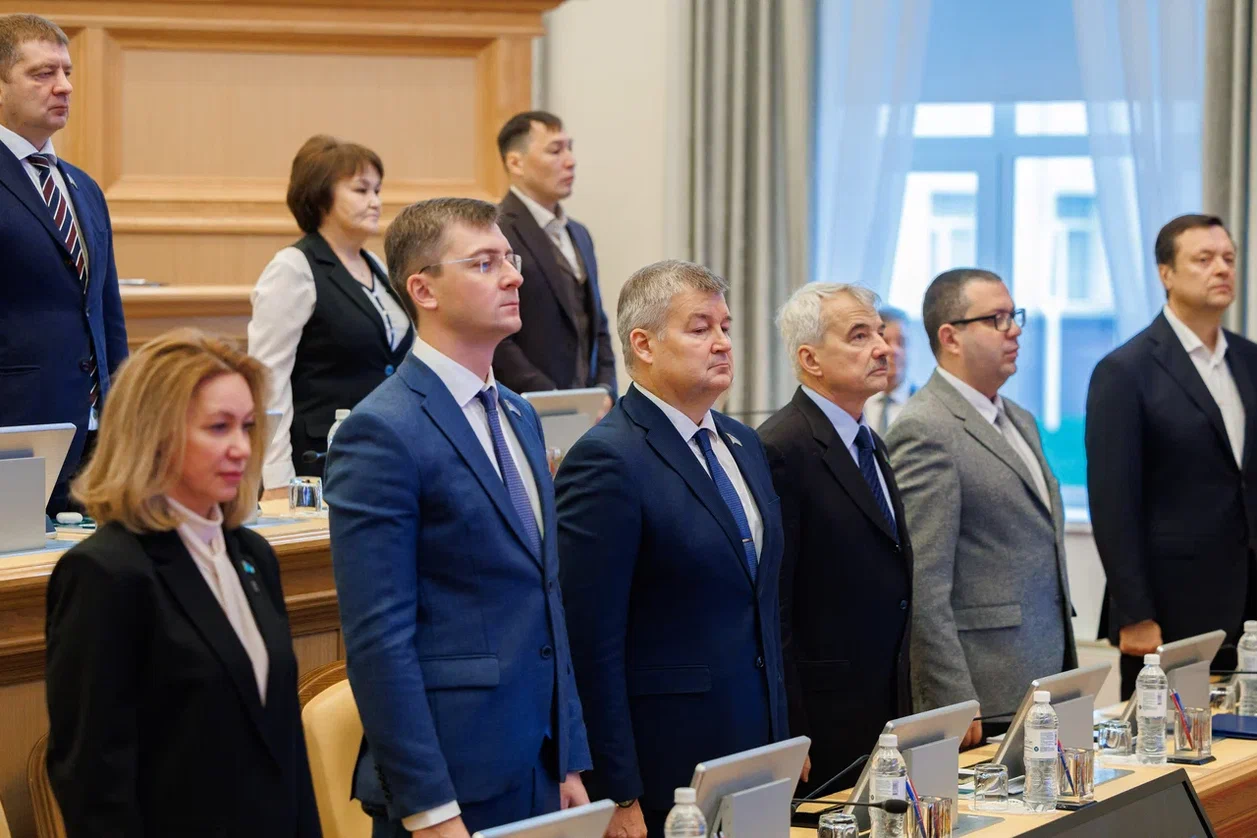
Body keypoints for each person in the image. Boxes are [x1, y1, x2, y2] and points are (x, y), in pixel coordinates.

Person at [324, 197, 591, 837]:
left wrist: (569, 757)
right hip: (452, 780)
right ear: (424, 290)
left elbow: (546, 599)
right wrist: (429, 807)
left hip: (539, 763)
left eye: (510, 258)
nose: (514, 276)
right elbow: (379, 639)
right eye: (484, 262)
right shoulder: (379, 431)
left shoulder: (521, 415)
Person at [44, 329, 320, 837]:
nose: (241, 448)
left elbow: (285, 749)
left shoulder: (252, 554)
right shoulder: (105, 573)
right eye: (218, 427)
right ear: (154, 434)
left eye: (248, 426)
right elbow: (94, 783)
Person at [556, 259, 788, 837]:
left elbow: (763, 604)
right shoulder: (607, 458)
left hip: (757, 751)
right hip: (665, 768)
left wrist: (785, 735)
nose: (723, 343)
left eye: (725, 327)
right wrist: (617, 789)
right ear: (644, 344)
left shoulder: (742, 443)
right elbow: (589, 642)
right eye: (700, 328)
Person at [886, 268, 1076, 746]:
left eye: (1014, 316)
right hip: (983, 690)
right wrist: (953, 696)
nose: (1014, 331)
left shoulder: (1019, 418)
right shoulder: (925, 427)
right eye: (996, 319)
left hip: (1040, 670)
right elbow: (924, 581)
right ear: (950, 337)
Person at [1086, 214, 1257, 699]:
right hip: (1171, 608)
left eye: (1228, 258)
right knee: (1172, 741)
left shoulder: (1250, 360)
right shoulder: (1125, 370)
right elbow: (1113, 504)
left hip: (1249, 605)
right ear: (1166, 273)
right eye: (1203, 259)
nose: (1221, 269)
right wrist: (1135, 613)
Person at [758, 283, 912, 792]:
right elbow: (775, 603)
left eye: (881, 334)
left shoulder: (870, 441)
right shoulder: (782, 448)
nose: (883, 349)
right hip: (821, 720)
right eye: (860, 336)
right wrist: (790, 726)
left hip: (883, 706)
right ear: (810, 359)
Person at [0, 13, 127, 514]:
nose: (64, 87)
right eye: (42, 73)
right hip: (16, 436)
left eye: (67, 72)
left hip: (96, 439)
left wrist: (123, 416)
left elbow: (106, 314)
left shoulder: (84, 187)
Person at [249, 135, 413, 493]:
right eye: (361, 190)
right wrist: (275, 477)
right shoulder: (293, 268)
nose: (375, 202)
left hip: (387, 450)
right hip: (321, 461)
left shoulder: (377, 266)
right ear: (321, 195)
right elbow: (268, 379)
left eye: (377, 190)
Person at [493, 111, 615, 414]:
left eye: (569, 148)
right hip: (525, 406)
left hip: (589, 406)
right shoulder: (496, 230)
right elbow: (494, 331)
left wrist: (605, 389)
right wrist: (552, 398)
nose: (570, 161)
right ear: (516, 163)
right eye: (555, 150)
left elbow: (597, 323)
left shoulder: (579, 233)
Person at [862, 306, 914, 434]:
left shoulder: (925, 403)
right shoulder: (853, 403)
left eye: (901, 342)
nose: (894, 350)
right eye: (885, 342)